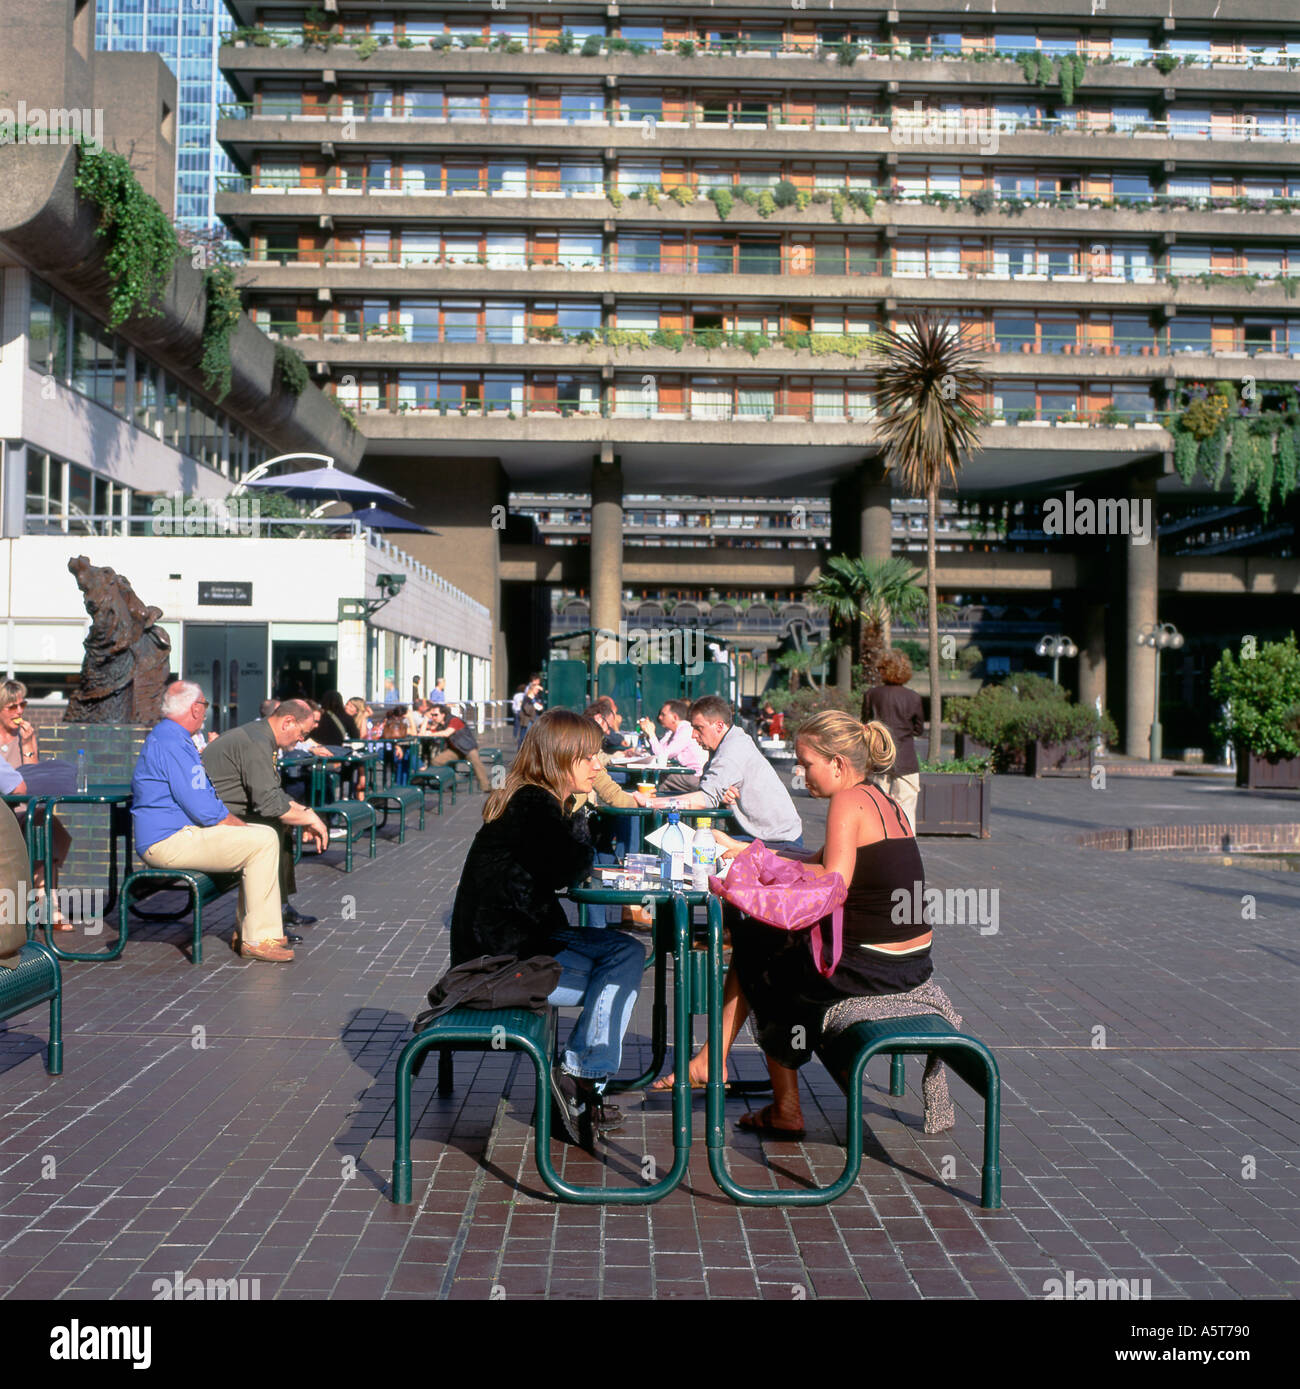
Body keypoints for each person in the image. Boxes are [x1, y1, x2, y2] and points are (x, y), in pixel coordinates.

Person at [655, 711, 963, 1138]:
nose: (799, 774)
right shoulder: (880, 799)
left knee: (761, 949)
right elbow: (815, 861)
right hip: (911, 961)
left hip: (873, 969)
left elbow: (830, 880)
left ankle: (775, 1101)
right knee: (762, 938)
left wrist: (751, 888)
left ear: (837, 763)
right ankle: (714, 1059)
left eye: (805, 764)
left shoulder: (847, 801)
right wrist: (744, 851)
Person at [449, 709, 644, 1145]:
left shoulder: (530, 796)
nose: (599, 766)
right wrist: (582, 816)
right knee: (620, 974)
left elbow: (559, 870)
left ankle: (581, 1077)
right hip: (497, 963)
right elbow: (569, 867)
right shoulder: (533, 803)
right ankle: (582, 1080)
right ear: (559, 759)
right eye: (589, 758)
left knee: (627, 954)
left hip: (519, 941)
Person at [131, 682, 292, 963]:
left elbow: (200, 798)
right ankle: (256, 938)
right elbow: (201, 805)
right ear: (194, 708)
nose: (205, 712)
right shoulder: (173, 741)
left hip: (177, 835)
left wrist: (236, 825)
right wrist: (235, 824)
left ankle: (254, 931)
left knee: (265, 833)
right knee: (263, 840)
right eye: (204, 705)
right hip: (169, 841)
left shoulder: (169, 737)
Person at [201, 699, 330, 935]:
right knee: (273, 828)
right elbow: (269, 805)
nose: (302, 740)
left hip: (226, 814)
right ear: (288, 722)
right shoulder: (256, 742)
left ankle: (280, 906)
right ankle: (268, 918)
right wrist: (311, 818)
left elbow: (273, 792)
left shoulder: (261, 736)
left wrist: (304, 812)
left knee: (282, 825)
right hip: (210, 824)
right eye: (302, 733)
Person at [633, 695, 803, 851]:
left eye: (699, 728)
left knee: (697, 848)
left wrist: (650, 803)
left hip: (778, 842)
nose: (693, 735)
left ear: (719, 725)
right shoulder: (731, 740)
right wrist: (719, 793)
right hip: (767, 834)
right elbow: (708, 790)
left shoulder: (731, 751)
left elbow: (704, 799)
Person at [0, 680, 72, 925]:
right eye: (12, 707)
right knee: (43, 824)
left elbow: (33, 783)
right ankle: (46, 902)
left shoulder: (24, 737)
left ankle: (44, 899)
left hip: (24, 809)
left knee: (44, 821)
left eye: (23, 704)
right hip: (5, 813)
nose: (20, 712)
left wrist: (30, 746)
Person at [862, 650, 926, 831]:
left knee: (878, 809)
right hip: (906, 760)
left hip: (879, 758)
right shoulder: (914, 697)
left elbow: (865, 724)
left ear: (882, 670)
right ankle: (907, 848)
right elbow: (918, 728)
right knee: (906, 810)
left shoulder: (871, 694)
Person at [636, 698, 706, 794]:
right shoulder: (671, 732)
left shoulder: (685, 730)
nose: (659, 717)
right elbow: (658, 751)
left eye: (663, 715)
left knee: (658, 776)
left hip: (695, 776)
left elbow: (661, 756)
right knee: (657, 775)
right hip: (686, 773)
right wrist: (649, 735)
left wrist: (652, 734)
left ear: (675, 717)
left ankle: (651, 803)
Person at [424, 703, 492, 791]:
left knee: (475, 761)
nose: (433, 717)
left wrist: (431, 733)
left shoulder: (454, 720)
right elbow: (422, 733)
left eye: (435, 715)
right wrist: (426, 719)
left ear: (443, 714)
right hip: (455, 750)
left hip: (467, 748)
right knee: (436, 761)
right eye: (432, 715)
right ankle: (451, 782)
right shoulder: (440, 724)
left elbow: (447, 733)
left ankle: (485, 786)